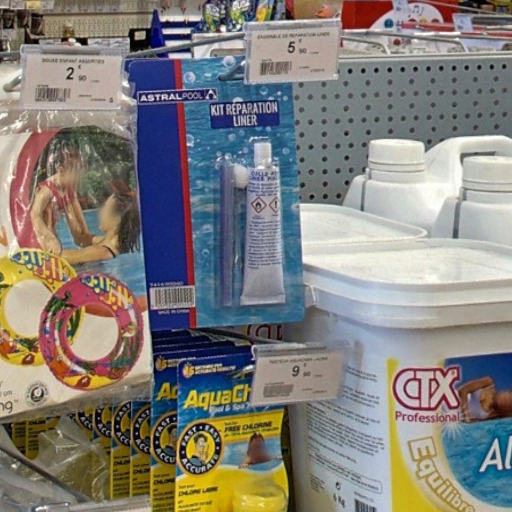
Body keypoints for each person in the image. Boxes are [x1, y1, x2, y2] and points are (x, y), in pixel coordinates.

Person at [30, 140, 90, 254]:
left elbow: (80, 231)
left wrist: (90, 238)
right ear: (61, 170)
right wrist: (50, 238)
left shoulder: (69, 190)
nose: (77, 179)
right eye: (75, 175)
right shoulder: (47, 190)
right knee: (54, 248)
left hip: (50, 232)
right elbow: (34, 214)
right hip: (36, 234)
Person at [62, 192, 140, 265]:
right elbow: (81, 239)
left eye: (104, 207)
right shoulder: (108, 243)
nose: (100, 211)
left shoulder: (102, 252)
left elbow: (60, 258)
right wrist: (69, 198)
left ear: (116, 219)